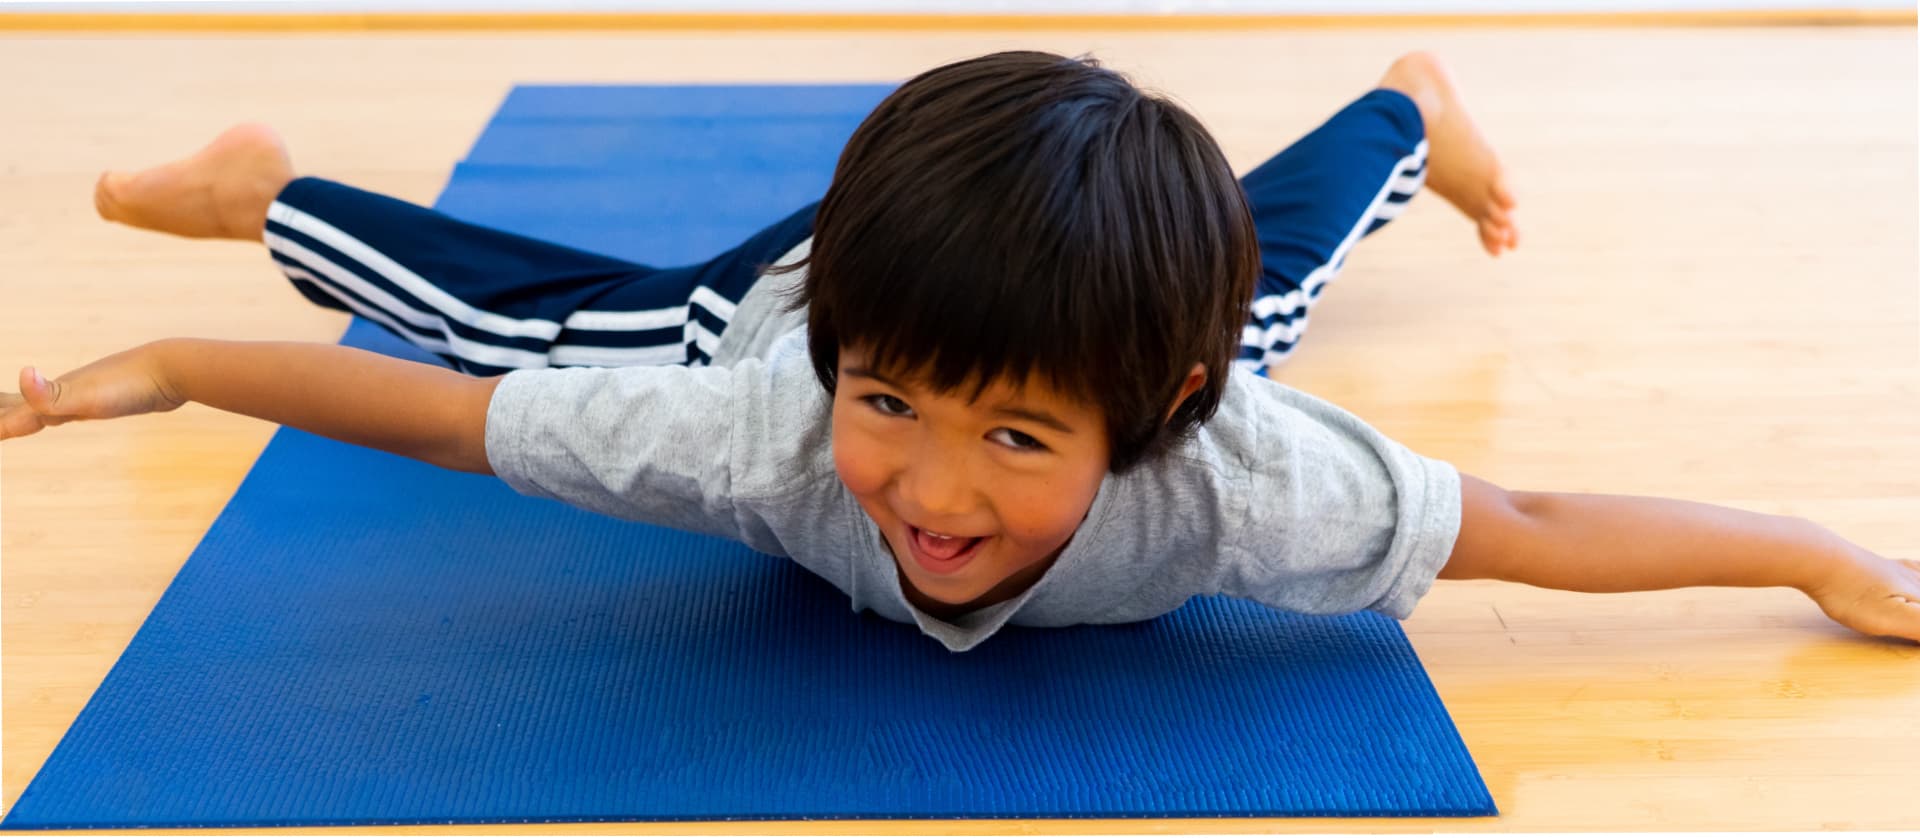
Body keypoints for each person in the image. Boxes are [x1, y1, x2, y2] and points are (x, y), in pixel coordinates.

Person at [4, 51, 1914, 652]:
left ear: (1157, 418)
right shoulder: (756, 424)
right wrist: (172, 356)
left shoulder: (1242, 468)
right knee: (548, 312)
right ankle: (273, 196)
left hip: (1096, 334)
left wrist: (1820, 554)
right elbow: (437, 405)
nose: (927, 491)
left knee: (1264, 273)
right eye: (896, 414)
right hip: (798, 287)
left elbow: (1527, 512)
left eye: (1015, 441)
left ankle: (1411, 102)